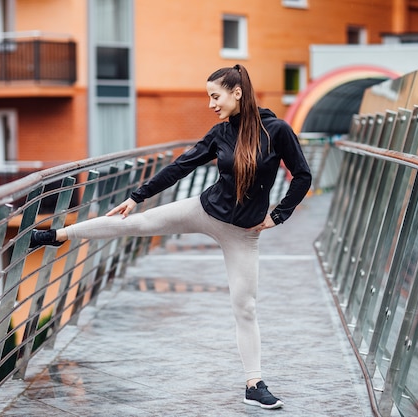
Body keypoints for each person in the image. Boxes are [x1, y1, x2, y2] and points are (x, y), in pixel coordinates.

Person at [30, 64, 312, 410]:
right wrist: (137, 196)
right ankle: (59, 234)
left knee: (246, 307)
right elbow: (181, 165)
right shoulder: (219, 134)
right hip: (204, 210)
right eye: (209, 97)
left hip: (244, 233)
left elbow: (302, 175)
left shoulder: (277, 131)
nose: (211, 104)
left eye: (215, 96)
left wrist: (278, 215)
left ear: (237, 93)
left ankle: (254, 384)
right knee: (138, 223)